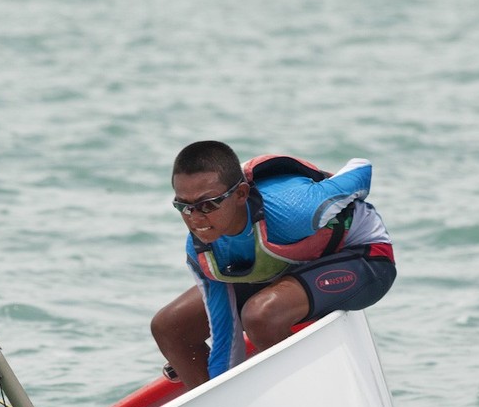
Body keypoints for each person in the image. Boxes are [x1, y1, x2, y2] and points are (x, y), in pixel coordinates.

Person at [151, 140, 396, 390]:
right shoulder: (203, 252)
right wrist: (220, 394)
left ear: (241, 194)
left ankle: (319, 392)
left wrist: (325, 204)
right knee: (171, 327)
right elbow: (227, 338)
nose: (196, 218)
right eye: (184, 207)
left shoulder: (297, 210)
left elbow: (361, 169)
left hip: (365, 257)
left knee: (261, 315)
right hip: (287, 267)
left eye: (208, 204)